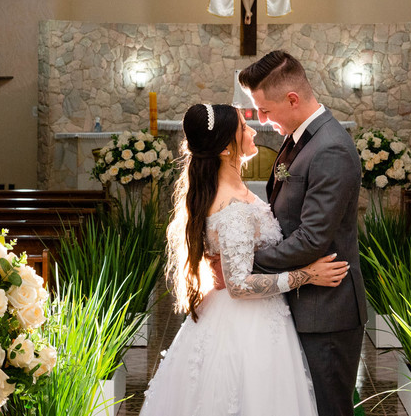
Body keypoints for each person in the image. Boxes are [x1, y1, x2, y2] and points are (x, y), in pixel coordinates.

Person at [139, 102, 348, 416]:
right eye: (243, 127)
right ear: (226, 148)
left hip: (248, 316)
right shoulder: (232, 205)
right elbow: (238, 286)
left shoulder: (227, 189)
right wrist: (308, 275)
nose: (252, 130)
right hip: (245, 325)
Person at [232, 51, 366, 416]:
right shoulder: (301, 138)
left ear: (292, 99)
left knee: (328, 409)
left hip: (327, 311)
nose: (260, 120)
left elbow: (312, 239)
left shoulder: (331, 148)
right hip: (303, 300)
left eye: (265, 110)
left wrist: (243, 262)